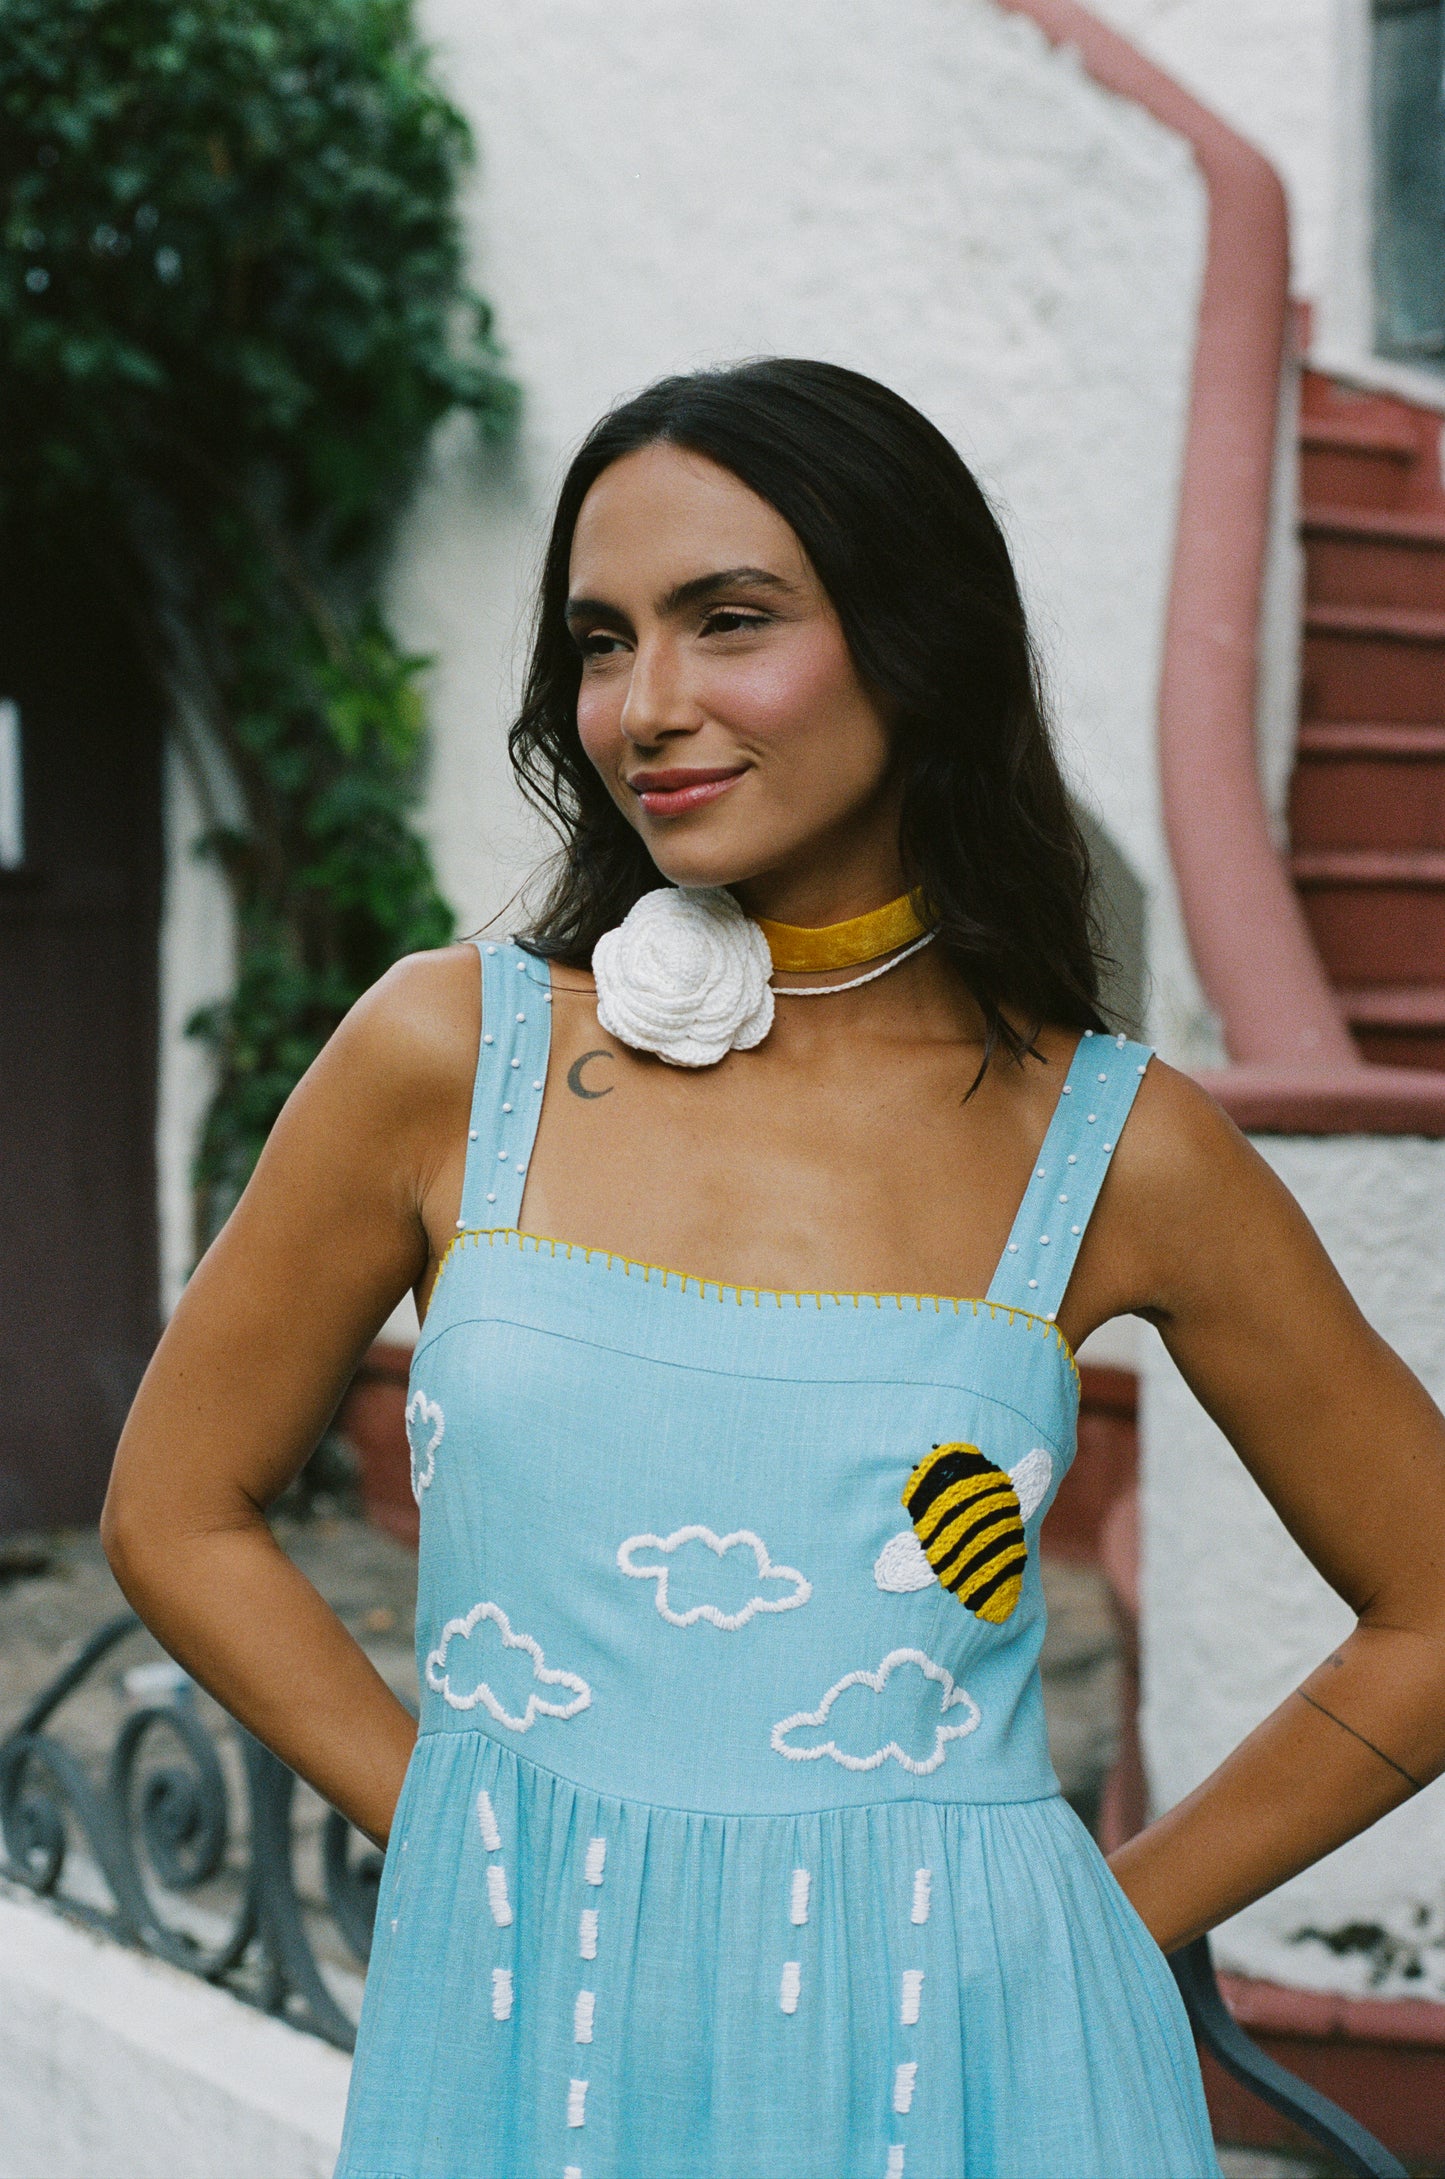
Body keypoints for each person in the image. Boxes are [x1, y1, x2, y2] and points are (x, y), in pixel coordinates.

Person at [103, 359, 1445, 2179]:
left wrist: (1095, 1919)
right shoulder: (449, 1056)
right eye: (601, 640)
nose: (644, 706)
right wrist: (460, 1833)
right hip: (529, 2048)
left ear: (914, 644)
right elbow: (176, 1507)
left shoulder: (1114, 1145)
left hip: (965, 2080)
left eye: (727, 620)